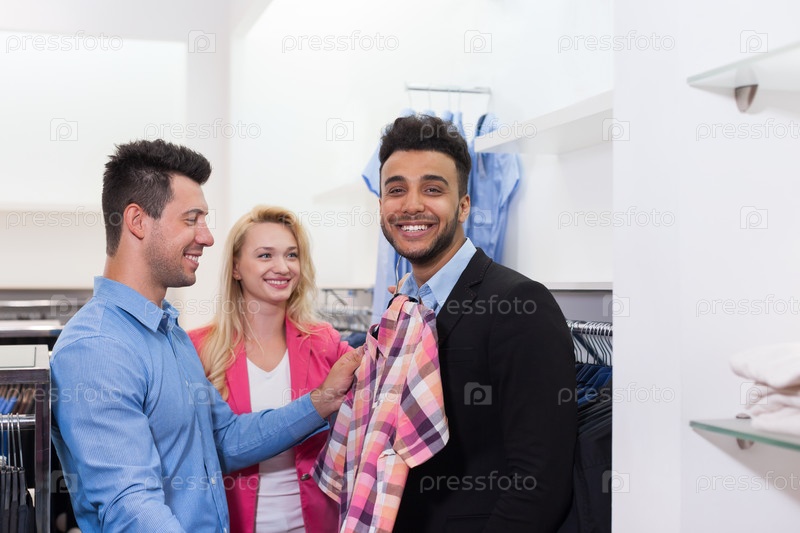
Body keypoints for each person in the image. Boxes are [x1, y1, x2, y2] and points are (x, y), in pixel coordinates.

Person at [50, 139, 361, 533]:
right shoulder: (98, 348)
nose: (208, 237)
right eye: (191, 219)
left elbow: (224, 438)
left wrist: (320, 402)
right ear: (137, 221)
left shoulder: (169, 334)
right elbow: (131, 508)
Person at [376, 115, 577, 532]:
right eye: (396, 190)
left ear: (464, 205)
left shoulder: (519, 304)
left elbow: (539, 484)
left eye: (433, 189)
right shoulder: (402, 307)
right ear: (381, 206)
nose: (411, 205)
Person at [189, 206, 347, 533]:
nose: (283, 267)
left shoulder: (325, 342)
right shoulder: (198, 349)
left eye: (292, 255)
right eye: (265, 255)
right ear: (236, 267)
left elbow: (379, 374)